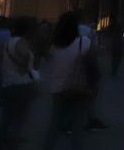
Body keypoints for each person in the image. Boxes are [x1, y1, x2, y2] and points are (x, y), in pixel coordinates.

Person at [44, 11, 98, 150]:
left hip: (58, 88)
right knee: (77, 128)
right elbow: (93, 66)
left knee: (54, 124)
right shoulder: (85, 42)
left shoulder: (54, 45)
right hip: (78, 88)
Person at [0, 16, 39, 150]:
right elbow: (24, 57)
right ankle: (12, 143)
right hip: (21, 84)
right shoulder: (22, 42)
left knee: (8, 116)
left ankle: (4, 141)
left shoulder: (8, 42)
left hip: (8, 83)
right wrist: (28, 62)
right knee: (19, 119)